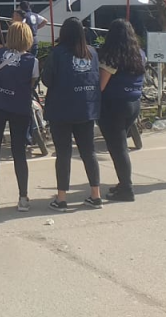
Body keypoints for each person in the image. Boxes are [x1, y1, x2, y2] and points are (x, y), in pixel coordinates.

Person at [0, 22, 38, 212]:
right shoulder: (32, 61)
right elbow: (32, 81)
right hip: (18, 106)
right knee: (19, 151)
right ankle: (23, 198)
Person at [41, 17, 103, 211]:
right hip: (86, 108)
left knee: (64, 153)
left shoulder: (58, 53)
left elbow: (47, 80)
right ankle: (95, 194)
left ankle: (61, 198)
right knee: (88, 152)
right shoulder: (92, 52)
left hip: (62, 109)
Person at [98, 19, 147, 202]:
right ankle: (123, 182)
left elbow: (101, 86)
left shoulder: (111, 57)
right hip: (133, 103)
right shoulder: (139, 54)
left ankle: (126, 187)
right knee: (121, 146)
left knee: (118, 149)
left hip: (113, 105)